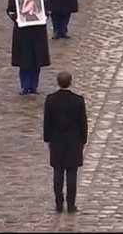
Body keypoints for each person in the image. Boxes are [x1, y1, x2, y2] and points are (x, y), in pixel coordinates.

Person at [43, 71, 88, 213]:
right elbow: (83, 122)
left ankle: (58, 204)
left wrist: (47, 137)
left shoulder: (51, 99)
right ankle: (71, 204)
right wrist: (83, 138)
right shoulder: (78, 100)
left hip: (57, 141)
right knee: (71, 174)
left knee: (57, 172)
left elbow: (47, 122)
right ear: (71, 82)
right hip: (74, 141)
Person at [8, 0, 51, 94]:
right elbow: (10, 10)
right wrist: (19, 18)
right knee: (24, 60)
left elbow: (48, 7)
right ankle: (25, 85)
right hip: (23, 31)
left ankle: (34, 85)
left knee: (36, 59)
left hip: (38, 30)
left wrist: (43, 16)